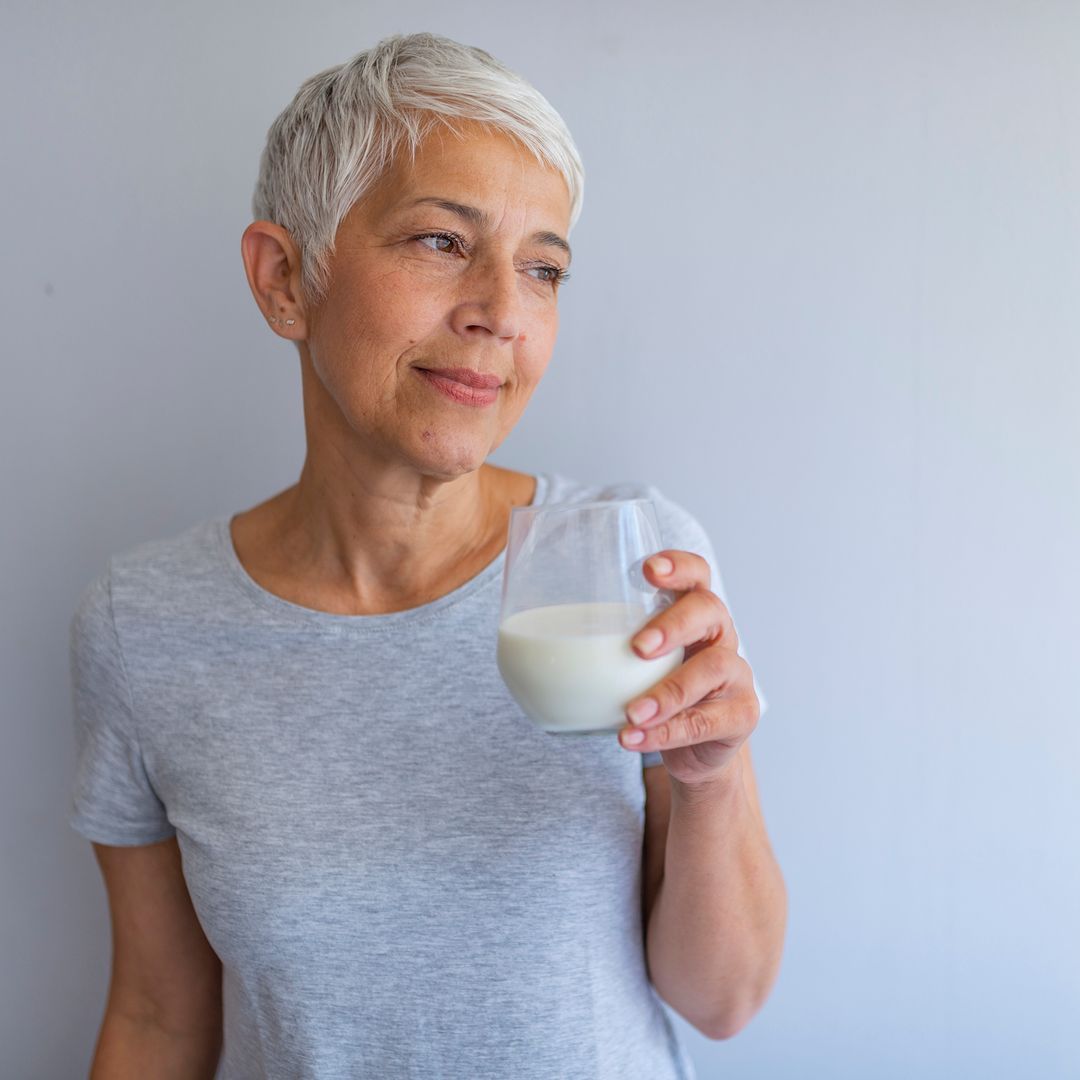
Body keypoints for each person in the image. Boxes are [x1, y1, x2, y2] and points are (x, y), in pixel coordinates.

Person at [68, 32, 787, 1080]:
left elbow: (721, 1001)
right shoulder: (142, 626)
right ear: (284, 280)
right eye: (441, 243)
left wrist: (714, 779)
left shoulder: (637, 564)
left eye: (543, 268)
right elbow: (158, 1019)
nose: (501, 311)